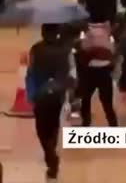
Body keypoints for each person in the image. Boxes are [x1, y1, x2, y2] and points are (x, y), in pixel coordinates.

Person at [27, 23, 73, 182]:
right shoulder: (66, 50)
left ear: (42, 33)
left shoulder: (35, 49)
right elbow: (71, 73)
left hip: (40, 94)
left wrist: (30, 94)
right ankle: (51, 151)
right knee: (54, 125)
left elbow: (30, 71)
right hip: (58, 94)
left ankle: (51, 157)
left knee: (41, 129)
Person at [75, 15, 119, 126]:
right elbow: (113, 51)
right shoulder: (108, 32)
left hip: (89, 71)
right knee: (107, 103)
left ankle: (86, 124)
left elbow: (81, 49)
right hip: (105, 71)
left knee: (86, 99)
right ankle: (113, 125)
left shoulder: (85, 31)